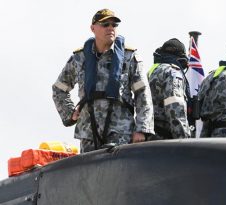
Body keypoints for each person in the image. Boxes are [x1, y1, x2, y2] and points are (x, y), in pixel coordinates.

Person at [52, 9, 154, 152]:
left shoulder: (129, 56)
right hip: (88, 133)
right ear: (93, 28)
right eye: (105, 24)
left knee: (119, 173)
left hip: (120, 132)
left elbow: (143, 94)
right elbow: (59, 89)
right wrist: (69, 113)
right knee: (89, 174)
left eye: (114, 25)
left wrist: (142, 129)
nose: (111, 28)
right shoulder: (79, 58)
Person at [147, 39, 191, 139]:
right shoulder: (173, 72)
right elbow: (175, 109)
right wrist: (184, 141)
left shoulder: (152, 71)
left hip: (148, 136)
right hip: (164, 140)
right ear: (181, 58)